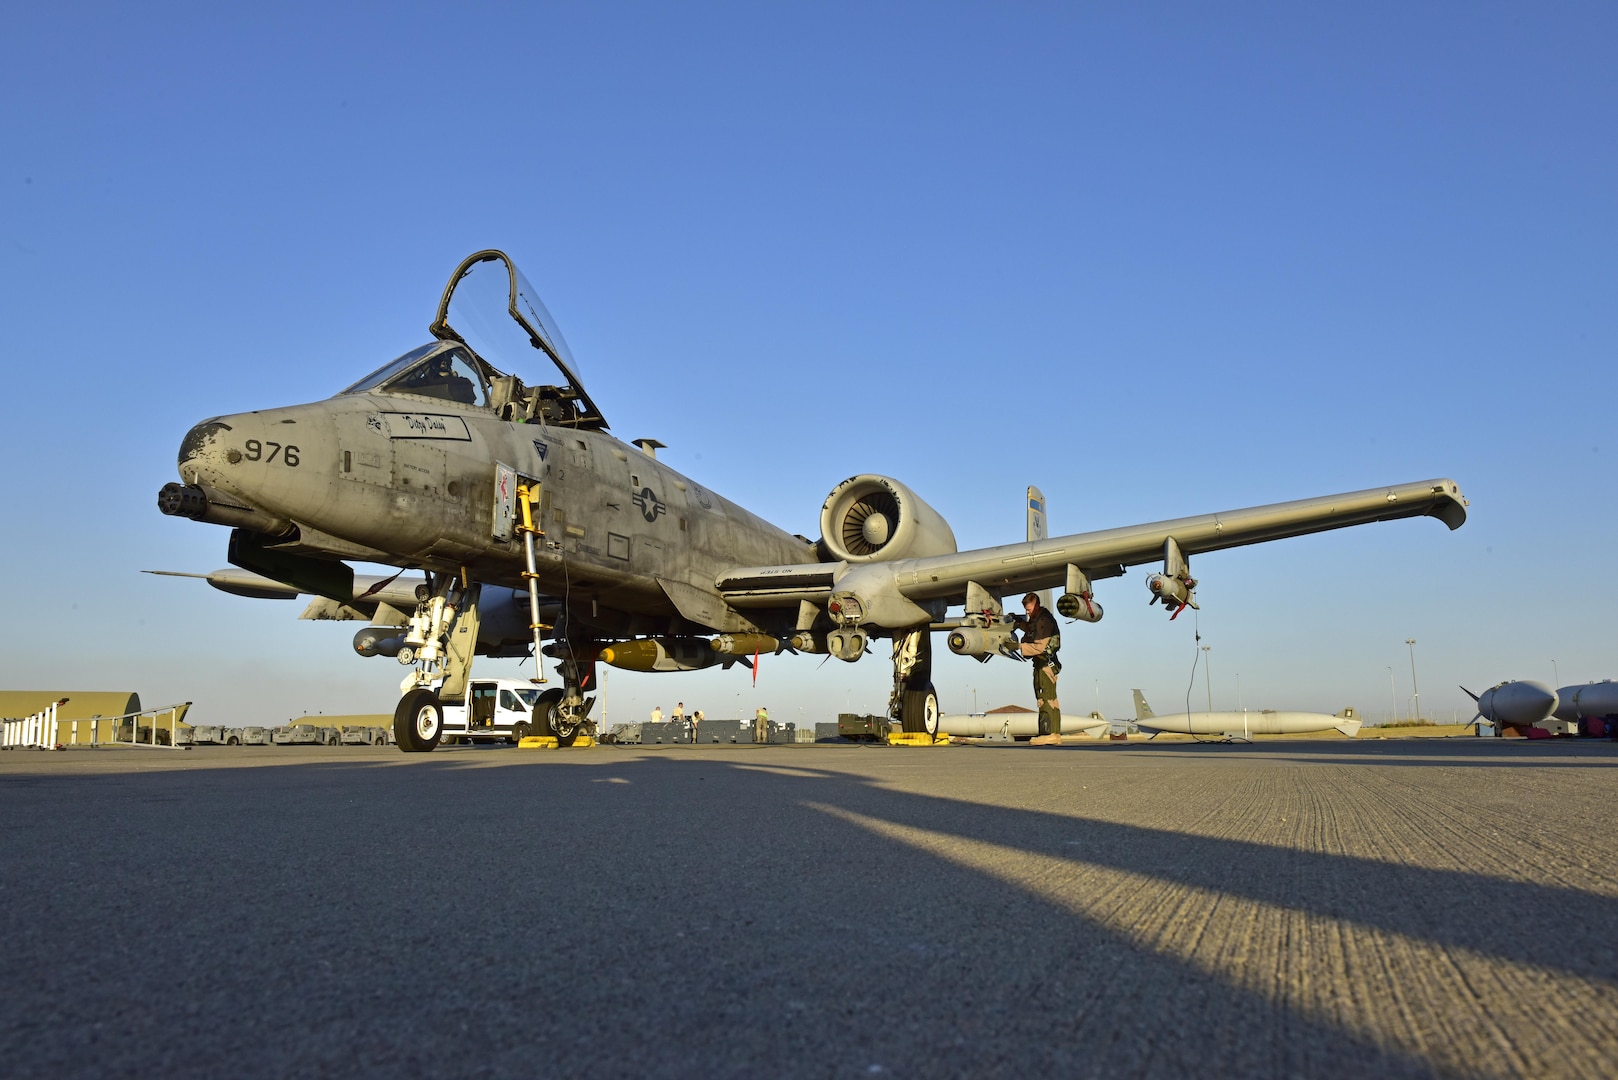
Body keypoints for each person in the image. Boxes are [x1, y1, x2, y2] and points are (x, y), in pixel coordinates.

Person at [1015, 592, 1063, 745]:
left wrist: (1018, 646)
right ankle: (1054, 734)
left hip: (1044, 665)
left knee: (1045, 699)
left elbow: (1040, 647)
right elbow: (1032, 630)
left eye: (1029, 609)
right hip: (1045, 664)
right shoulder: (1038, 619)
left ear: (1036, 604)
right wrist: (1019, 623)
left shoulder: (1043, 620)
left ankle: (1048, 734)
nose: (1027, 613)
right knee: (1052, 700)